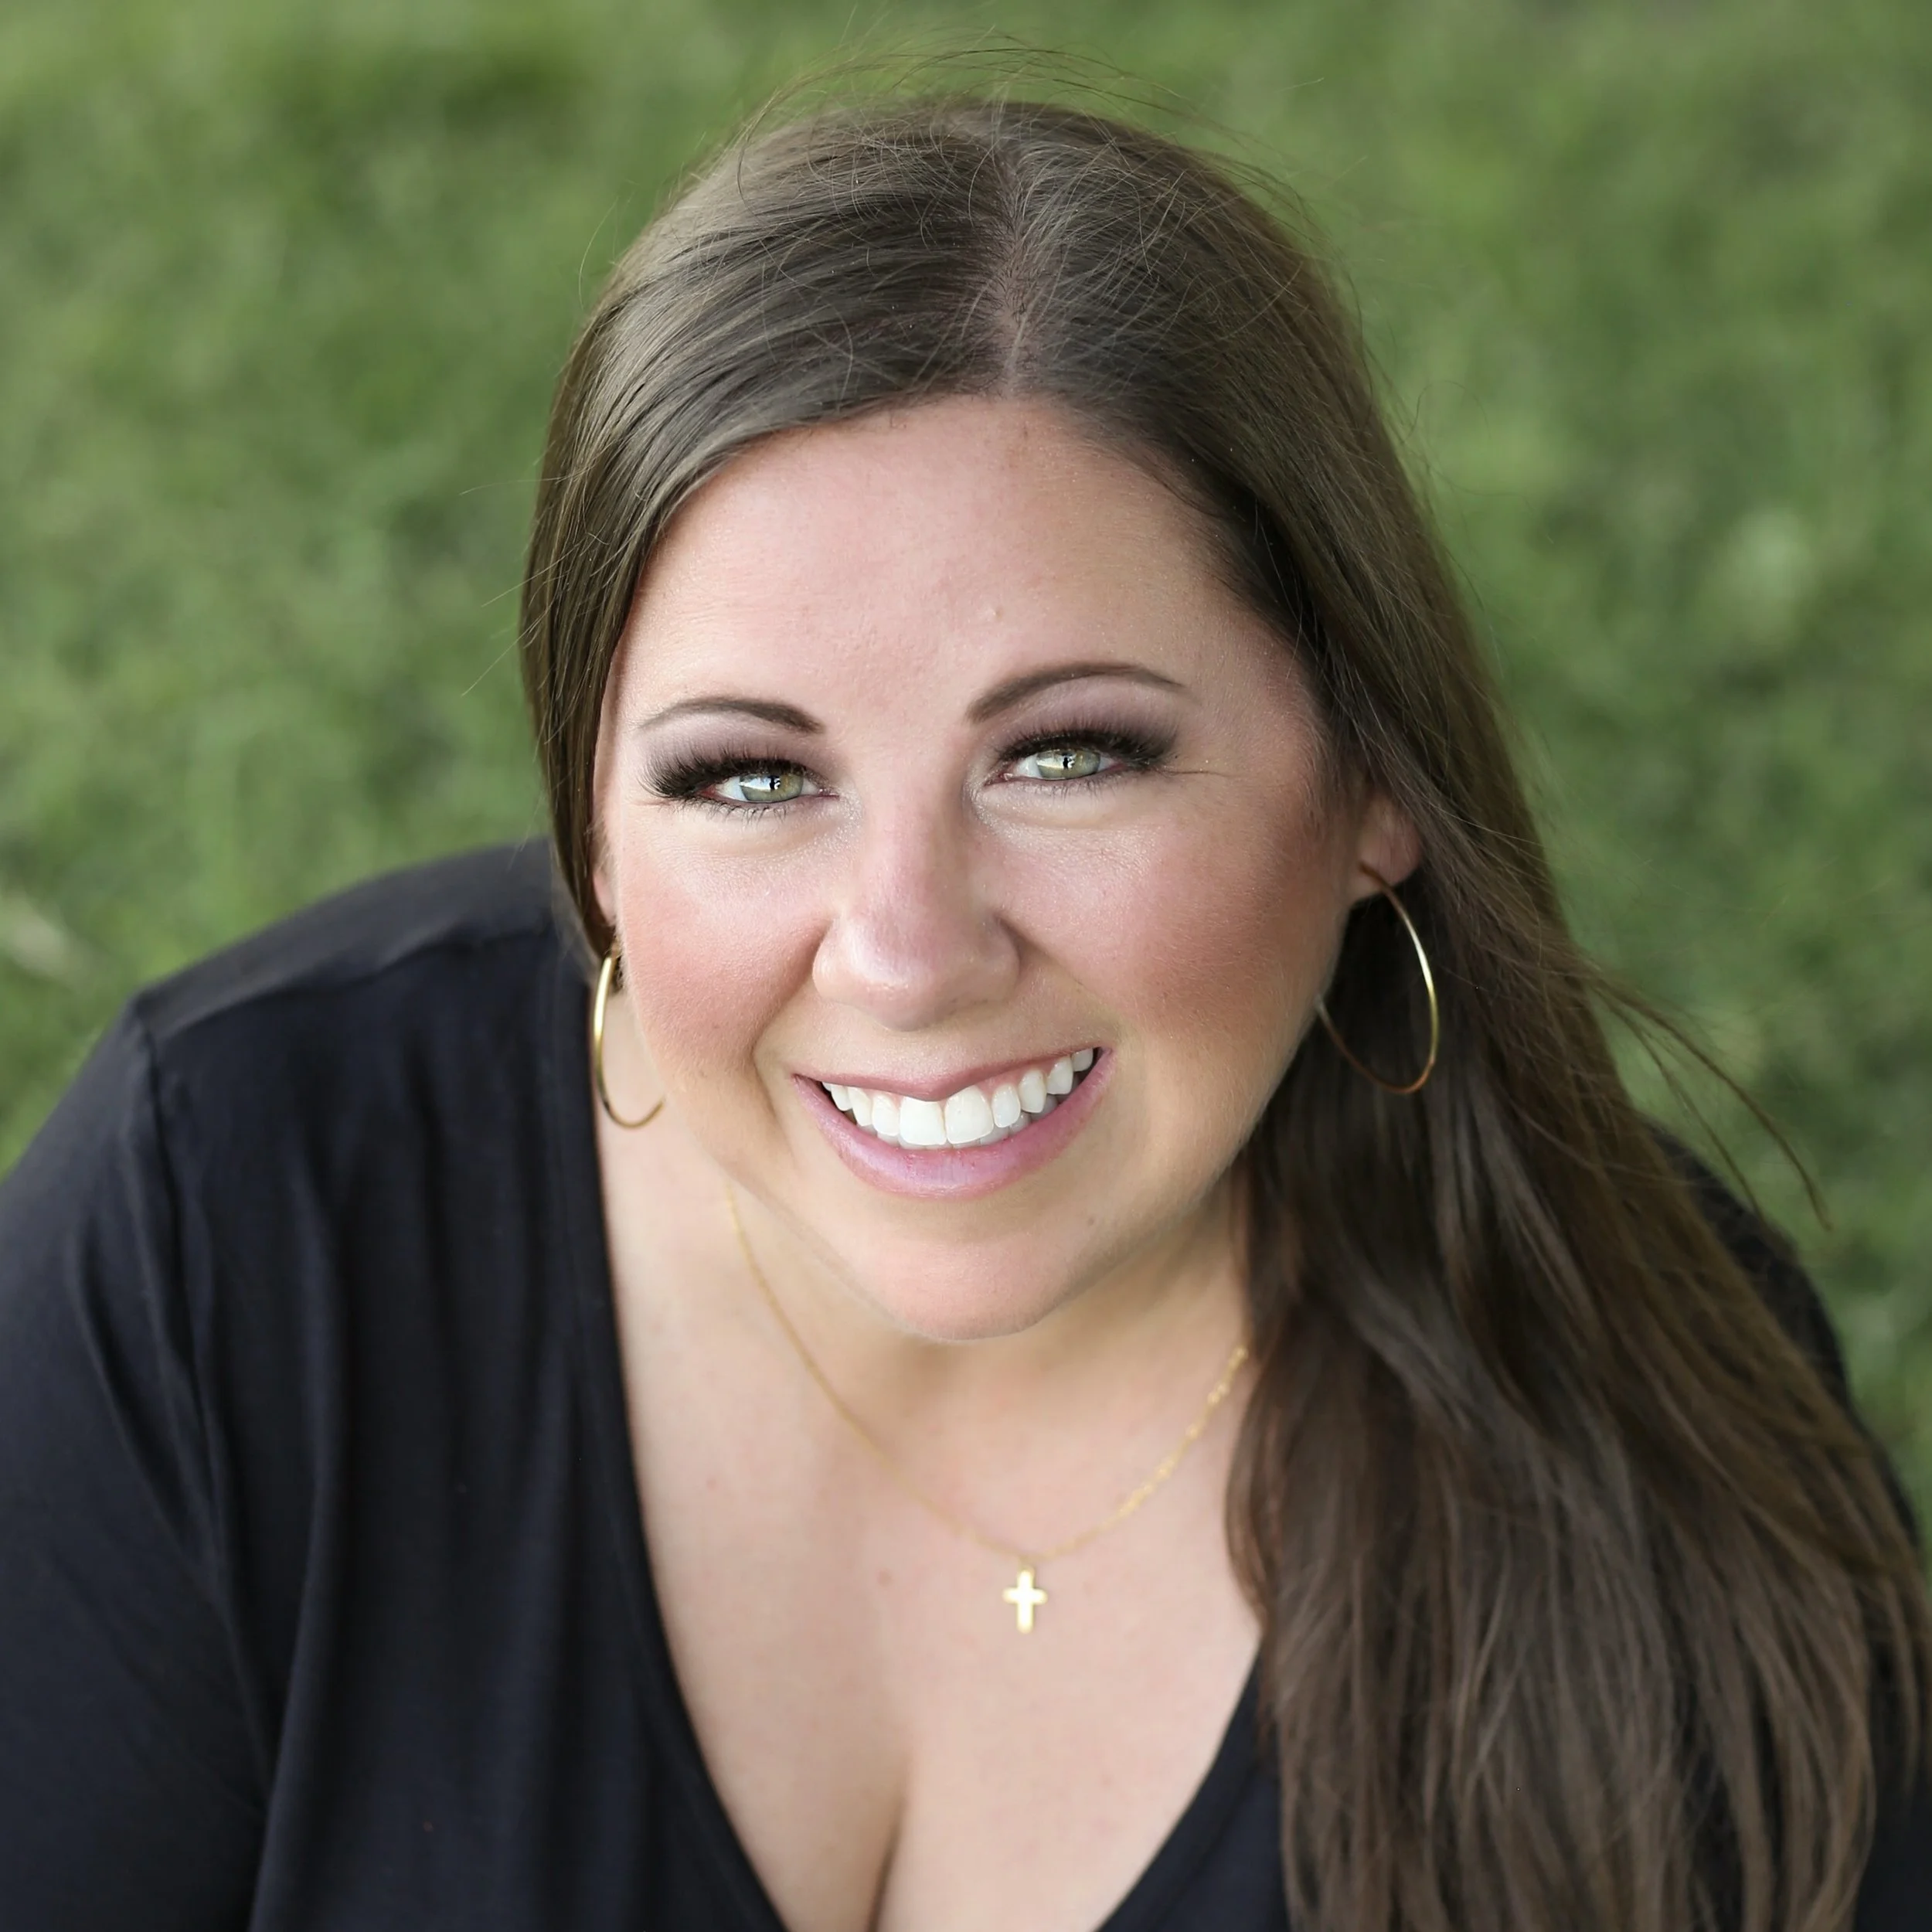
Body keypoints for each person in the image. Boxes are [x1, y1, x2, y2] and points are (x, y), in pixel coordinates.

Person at [1, 90, 1926, 1932]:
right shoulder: (235, 1224)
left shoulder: (1634, 1401)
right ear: (592, 826)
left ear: (1369, 780)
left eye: (1071, 753)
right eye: (748, 776)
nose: (905, 952)